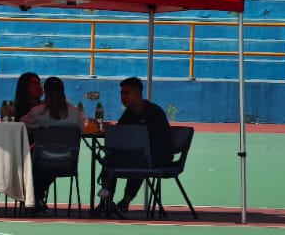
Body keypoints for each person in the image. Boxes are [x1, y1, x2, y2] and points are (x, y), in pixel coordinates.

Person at [96, 76, 173, 219]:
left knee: (137, 161)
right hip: (136, 156)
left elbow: (162, 142)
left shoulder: (154, 113)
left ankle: (124, 203)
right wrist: (108, 129)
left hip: (159, 157)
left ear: (138, 94)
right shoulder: (128, 113)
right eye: (121, 93)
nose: (123, 97)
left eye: (127, 93)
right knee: (110, 159)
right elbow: (120, 133)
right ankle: (106, 201)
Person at [22, 76, 84, 212]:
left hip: (42, 161)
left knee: (33, 155)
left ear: (45, 92)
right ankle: (37, 196)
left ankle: (34, 195)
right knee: (51, 158)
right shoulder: (74, 113)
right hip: (68, 162)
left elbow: (21, 125)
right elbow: (81, 128)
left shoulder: (38, 112)